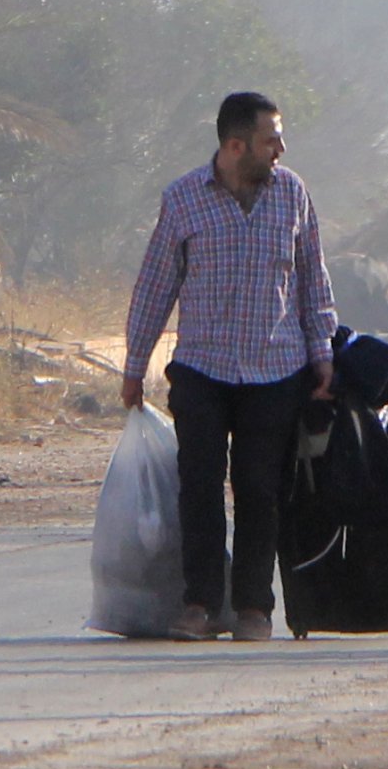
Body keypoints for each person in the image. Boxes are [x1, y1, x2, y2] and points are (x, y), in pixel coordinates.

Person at [121, 91, 337, 643]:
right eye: (271, 139)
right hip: (202, 370)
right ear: (235, 145)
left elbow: (313, 281)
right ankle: (199, 604)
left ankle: (253, 608)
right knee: (198, 488)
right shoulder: (184, 199)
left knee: (261, 491)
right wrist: (135, 363)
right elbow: (155, 284)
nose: (281, 149)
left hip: (275, 369)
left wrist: (323, 355)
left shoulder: (292, 195)